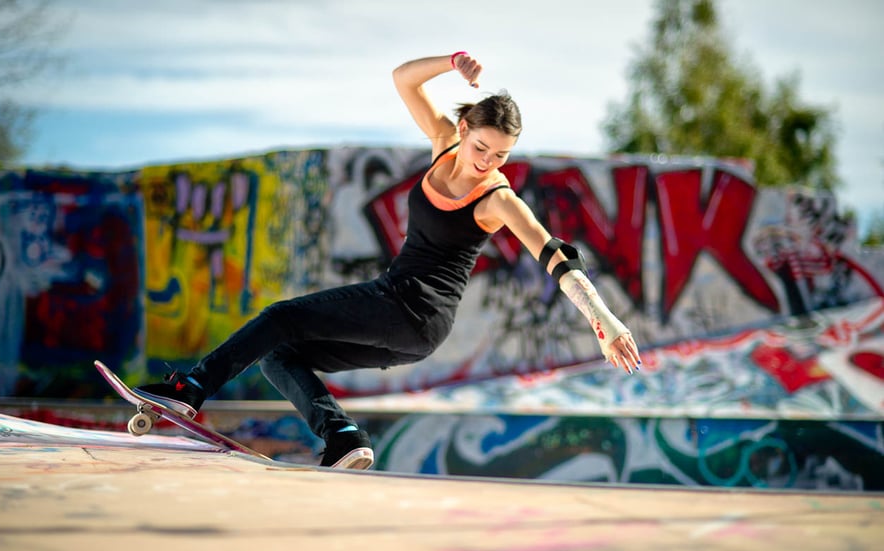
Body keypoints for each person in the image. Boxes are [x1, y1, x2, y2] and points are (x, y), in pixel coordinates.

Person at [135, 52, 642, 470]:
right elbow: (403, 79)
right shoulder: (444, 144)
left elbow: (555, 255)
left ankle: (191, 387)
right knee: (280, 350)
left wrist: (604, 319)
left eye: (501, 157)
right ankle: (342, 438)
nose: (487, 163)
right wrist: (452, 62)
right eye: (482, 148)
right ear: (464, 129)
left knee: (280, 317)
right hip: (403, 315)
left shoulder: (498, 199)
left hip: (413, 310)